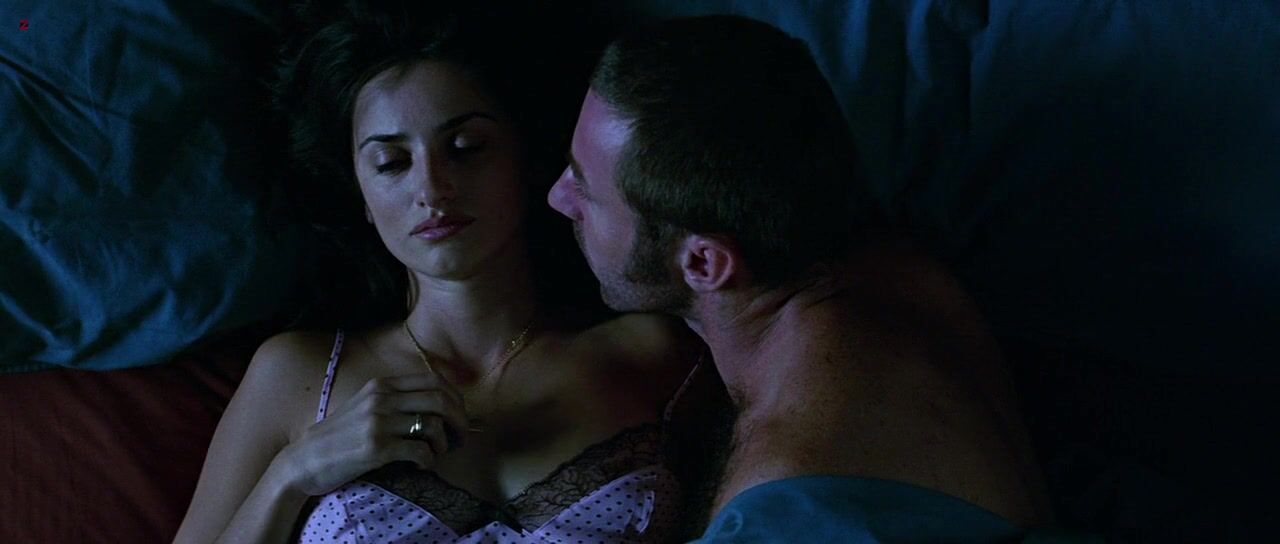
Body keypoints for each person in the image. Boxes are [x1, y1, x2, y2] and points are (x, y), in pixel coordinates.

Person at [174, 3, 705, 543]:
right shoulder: (294, 375)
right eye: (392, 163)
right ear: (361, 195)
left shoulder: (656, 352)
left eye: (464, 148)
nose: (432, 188)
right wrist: (292, 474)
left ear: (528, 158)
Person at [548, 15, 1054, 542]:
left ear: (703, 265)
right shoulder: (892, 262)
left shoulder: (780, 512)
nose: (558, 198)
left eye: (585, 190)